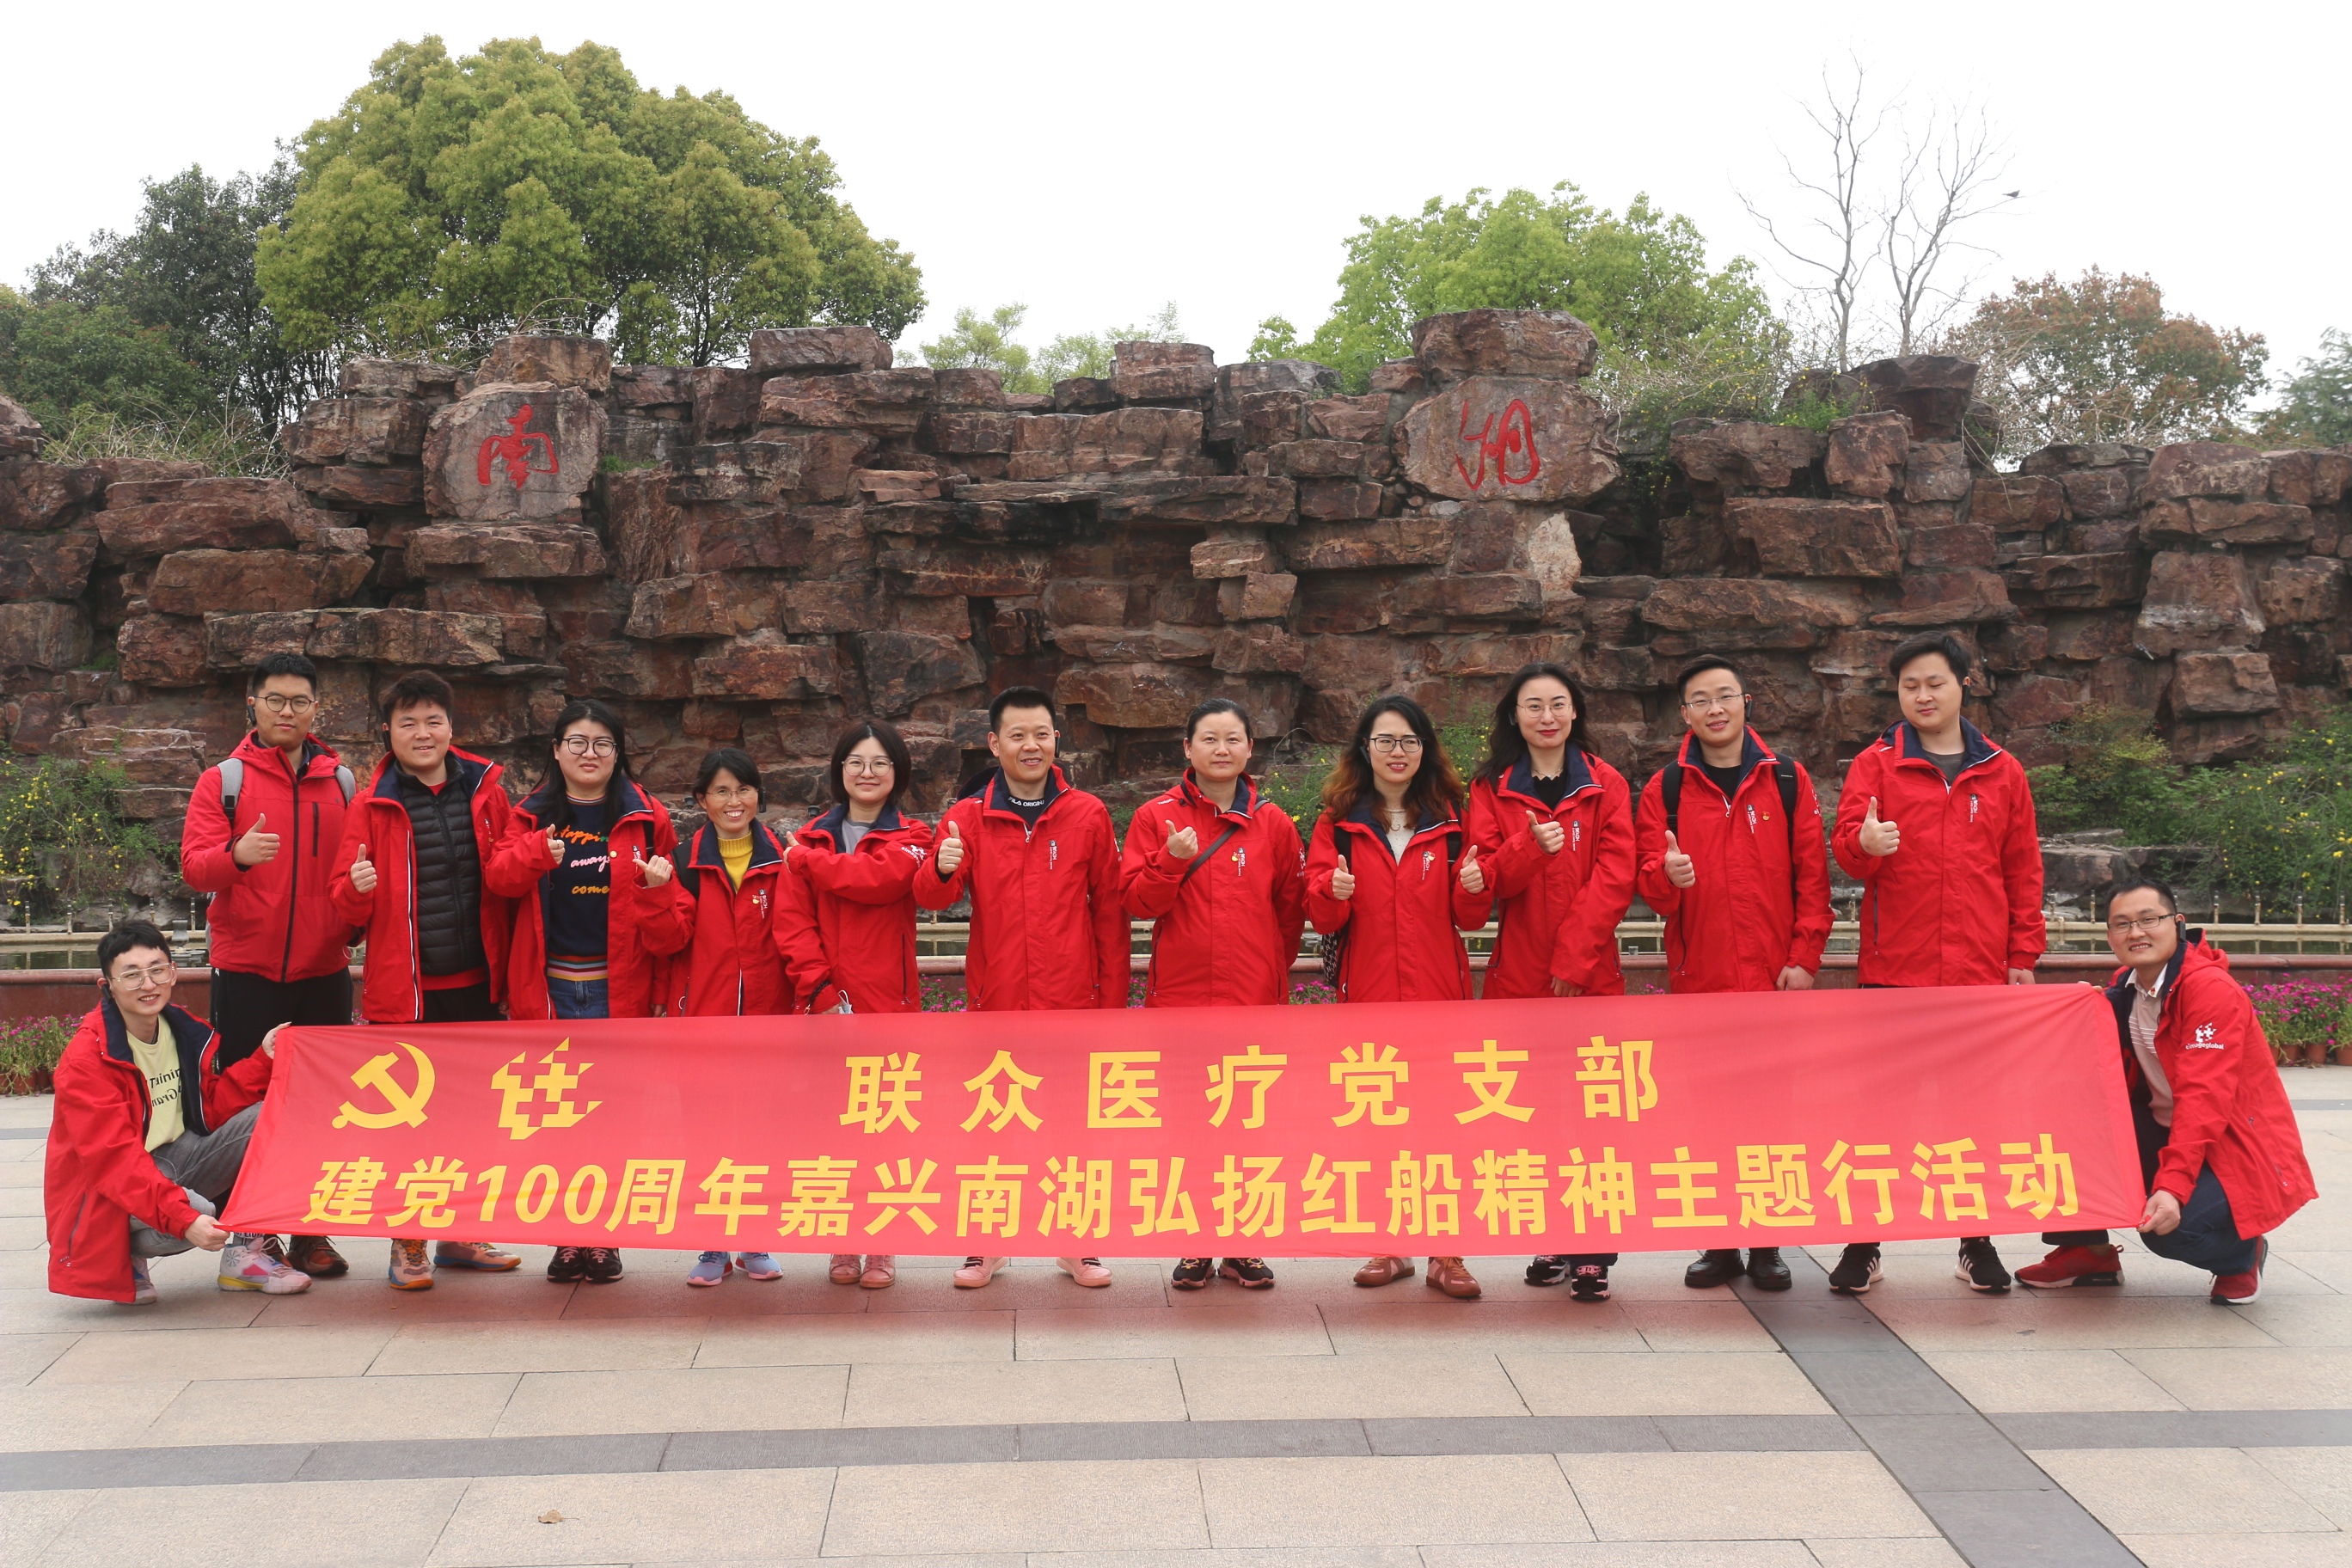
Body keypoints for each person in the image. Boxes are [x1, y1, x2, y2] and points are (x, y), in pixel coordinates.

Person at [1829, 632, 2046, 1295]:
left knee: (1973, 1114)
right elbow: (1845, 850)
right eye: (1910, 686)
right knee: (1878, 1115)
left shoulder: (2003, 771)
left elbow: (2022, 869)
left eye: (1935, 683)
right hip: (1894, 971)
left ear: (1964, 685)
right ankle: (1864, 1242)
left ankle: (1976, 1241)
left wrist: (2022, 954)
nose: (1923, 696)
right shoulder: (1877, 765)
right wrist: (1865, 844)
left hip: (1977, 973)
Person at [915, 687, 1127, 1290]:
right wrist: (942, 866)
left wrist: (1111, 1005)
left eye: (1041, 734)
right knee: (993, 1125)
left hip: (1072, 1001)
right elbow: (930, 897)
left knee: (1072, 1127)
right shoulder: (967, 816)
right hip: (998, 999)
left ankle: (1076, 1243)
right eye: (1017, 735)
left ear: (1056, 739)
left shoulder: (1087, 814)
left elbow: (1109, 914)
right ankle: (987, 1245)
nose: (1030, 746)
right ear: (994, 744)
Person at [1636, 655, 1833, 1296]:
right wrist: (1667, 877)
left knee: (1773, 1114)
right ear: (1685, 714)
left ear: (1747, 703)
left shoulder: (1786, 779)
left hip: (1775, 978)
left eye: (1726, 695)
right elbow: (1651, 888)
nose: (1715, 708)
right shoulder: (1666, 788)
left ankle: (1767, 1244)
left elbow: (1813, 877)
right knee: (1708, 1115)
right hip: (1703, 979)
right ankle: (1720, 1242)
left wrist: (1804, 959)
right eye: (1701, 699)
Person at [2017, 879, 2313, 1302]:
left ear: (2177, 923)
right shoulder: (2127, 985)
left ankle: (2241, 1254)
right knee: (2064, 1128)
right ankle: (2088, 1251)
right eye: (2122, 924)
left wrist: (2171, 1188)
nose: (2136, 933)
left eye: (2148, 920)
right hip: (2164, 1130)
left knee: (2169, 1231)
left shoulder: (2210, 991)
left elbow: (2203, 1101)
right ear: (2109, 936)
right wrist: (2084, 1011)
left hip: (2231, 1144)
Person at [331, 671, 525, 1290]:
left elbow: (509, 876)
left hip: (477, 988)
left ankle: (460, 1235)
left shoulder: (487, 792)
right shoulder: (371, 804)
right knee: (409, 1123)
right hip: (408, 994)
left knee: (474, 1115)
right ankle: (408, 1240)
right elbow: (343, 904)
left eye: (433, 720)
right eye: (408, 722)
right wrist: (356, 891)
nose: (422, 733)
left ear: (451, 727)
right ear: (388, 733)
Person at [488, 699, 690, 1285]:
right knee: (554, 1119)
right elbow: (499, 879)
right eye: (577, 742)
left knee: (612, 1117)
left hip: (615, 989)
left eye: (603, 743)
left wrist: (658, 894)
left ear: (618, 753)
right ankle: (565, 1237)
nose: (590, 753)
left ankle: (602, 1237)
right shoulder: (530, 815)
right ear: (556, 751)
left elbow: (675, 920)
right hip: (549, 987)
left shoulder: (645, 816)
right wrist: (534, 854)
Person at [178, 651, 358, 1281]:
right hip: (247, 971)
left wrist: (356, 918)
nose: (288, 712)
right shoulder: (223, 781)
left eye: (300, 701)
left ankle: (311, 1231)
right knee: (245, 1102)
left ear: (316, 708)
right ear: (252, 704)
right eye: (276, 700)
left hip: (323, 971)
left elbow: (355, 869)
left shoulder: (342, 783)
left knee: (322, 1104)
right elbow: (195, 867)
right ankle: (253, 1233)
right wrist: (238, 855)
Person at [1457, 664, 1634, 1303]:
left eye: (1558, 704)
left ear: (1575, 711)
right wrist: (1531, 848)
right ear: (1515, 716)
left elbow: (1617, 874)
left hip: (1590, 977)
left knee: (1595, 1116)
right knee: (1535, 1116)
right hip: (1520, 977)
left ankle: (1594, 1253)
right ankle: (1555, 1236)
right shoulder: (1492, 788)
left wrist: (1574, 959)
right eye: (1533, 706)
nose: (1547, 717)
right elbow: (1486, 878)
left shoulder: (1606, 783)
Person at [1305, 694, 1486, 1300]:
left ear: (1425, 749)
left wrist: (1474, 885)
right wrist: (1332, 890)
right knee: (1378, 1123)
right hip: (1371, 997)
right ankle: (1388, 1245)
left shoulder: (1451, 819)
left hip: (1439, 997)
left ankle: (1447, 1253)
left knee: (1445, 1127)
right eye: (1385, 741)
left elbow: (1470, 918)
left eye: (1409, 740)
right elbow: (1322, 915)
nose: (1397, 752)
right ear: (1365, 750)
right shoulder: (1338, 822)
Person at [1121, 698, 1306, 1292]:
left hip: (1252, 999)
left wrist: (1269, 972)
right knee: (1187, 1126)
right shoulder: (1155, 818)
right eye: (1209, 739)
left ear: (1250, 748)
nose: (1221, 749)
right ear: (1188, 748)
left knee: (1250, 1125)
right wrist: (1170, 862)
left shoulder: (1275, 824)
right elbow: (1137, 903)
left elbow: (1289, 913)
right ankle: (1196, 1242)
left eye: (1232, 739)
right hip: (1180, 1001)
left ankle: (1243, 1243)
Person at [46, 921, 309, 1302]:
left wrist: (263, 1060)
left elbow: (209, 1110)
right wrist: (185, 1219)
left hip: (173, 1159)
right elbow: (114, 1164)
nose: (148, 984)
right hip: (106, 1189)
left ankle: (245, 1255)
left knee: (274, 1117)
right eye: (131, 975)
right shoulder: (88, 1060)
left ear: (173, 973)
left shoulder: (179, 1030)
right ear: (108, 986)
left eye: (157, 970)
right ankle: (126, 1254)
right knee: (194, 1210)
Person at [776, 720, 937, 1293]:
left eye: (880, 763)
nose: (868, 773)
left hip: (888, 1006)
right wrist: (819, 993)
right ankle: (843, 1239)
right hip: (825, 1006)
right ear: (839, 770)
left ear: (898, 773)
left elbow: (880, 880)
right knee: (831, 1131)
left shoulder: (913, 836)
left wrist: (806, 863)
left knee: (886, 1129)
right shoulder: (812, 837)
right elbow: (791, 924)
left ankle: (882, 1243)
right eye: (856, 763)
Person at [664, 747, 793, 1291]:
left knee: (763, 1132)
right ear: (702, 800)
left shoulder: (784, 858)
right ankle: (713, 1244)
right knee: (707, 1132)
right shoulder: (681, 861)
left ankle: (754, 1240)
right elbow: (668, 940)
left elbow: (797, 933)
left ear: (758, 795)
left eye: (743, 789)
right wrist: (655, 893)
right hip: (705, 1019)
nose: (733, 801)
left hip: (769, 1018)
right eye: (721, 791)